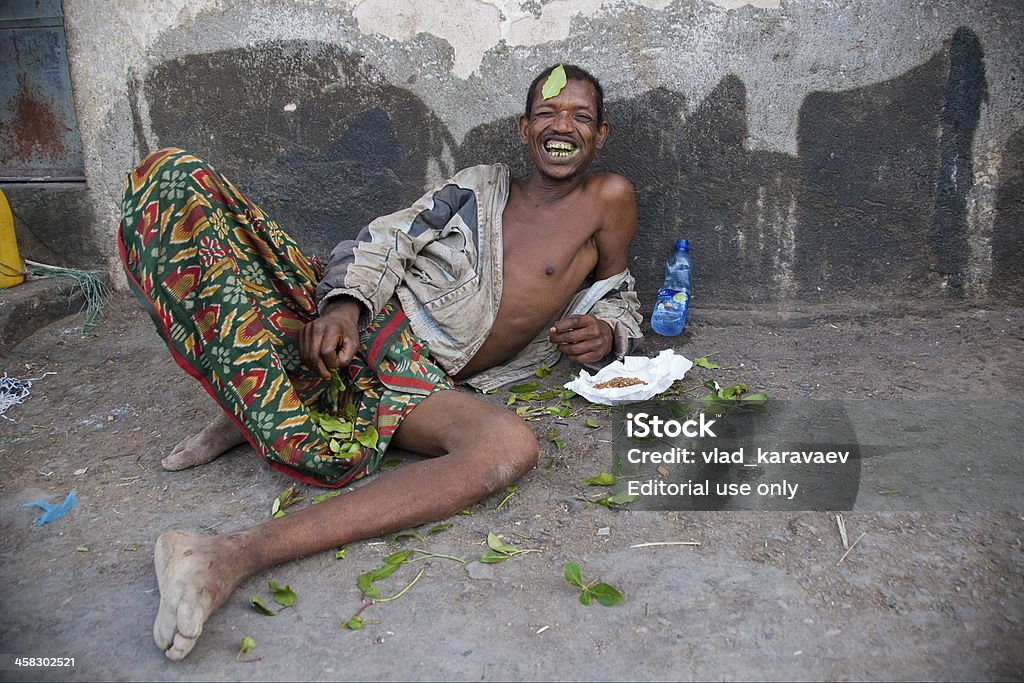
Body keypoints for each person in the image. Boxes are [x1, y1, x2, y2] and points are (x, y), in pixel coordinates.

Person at [118, 63, 642, 660]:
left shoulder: (608, 199)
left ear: (600, 136)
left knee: (508, 449)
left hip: (417, 380)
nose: (562, 125)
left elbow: (618, 294)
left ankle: (226, 552)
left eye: (580, 116)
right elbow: (390, 238)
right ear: (524, 129)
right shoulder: (477, 187)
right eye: (547, 113)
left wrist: (607, 333)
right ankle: (276, 393)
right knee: (179, 177)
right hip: (366, 324)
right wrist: (343, 308)